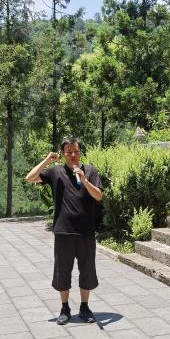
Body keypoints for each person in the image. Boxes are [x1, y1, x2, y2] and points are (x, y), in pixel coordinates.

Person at [26, 137, 104, 325]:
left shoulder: (91, 171)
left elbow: (98, 196)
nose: (73, 155)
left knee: (87, 270)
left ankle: (84, 307)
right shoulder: (56, 172)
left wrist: (84, 180)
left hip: (86, 231)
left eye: (76, 151)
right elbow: (30, 178)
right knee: (62, 271)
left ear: (80, 152)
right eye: (69, 152)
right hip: (63, 231)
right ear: (63, 154)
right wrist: (47, 160)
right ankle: (65, 308)